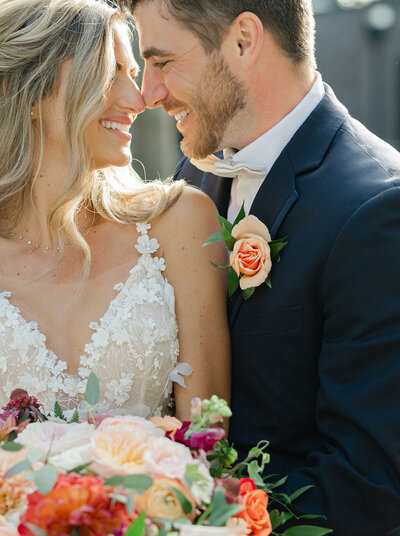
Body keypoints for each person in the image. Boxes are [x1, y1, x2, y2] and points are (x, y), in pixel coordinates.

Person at [129, 0, 400, 534]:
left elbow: (369, 479)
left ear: (244, 40)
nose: (148, 93)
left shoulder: (377, 210)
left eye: (162, 62)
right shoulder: (195, 177)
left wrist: (202, 527)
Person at [0, 0, 230, 421]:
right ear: (24, 90)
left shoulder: (180, 224)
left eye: (133, 74)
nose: (137, 99)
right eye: (109, 74)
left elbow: (209, 446)